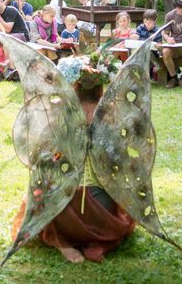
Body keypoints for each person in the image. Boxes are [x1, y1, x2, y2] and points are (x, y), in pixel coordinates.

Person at [11, 63, 135, 263]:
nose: (89, 113)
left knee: (48, 194)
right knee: (55, 194)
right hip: (89, 203)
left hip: (84, 200)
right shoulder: (97, 116)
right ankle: (79, 242)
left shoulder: (89, 117)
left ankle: (68, 241)